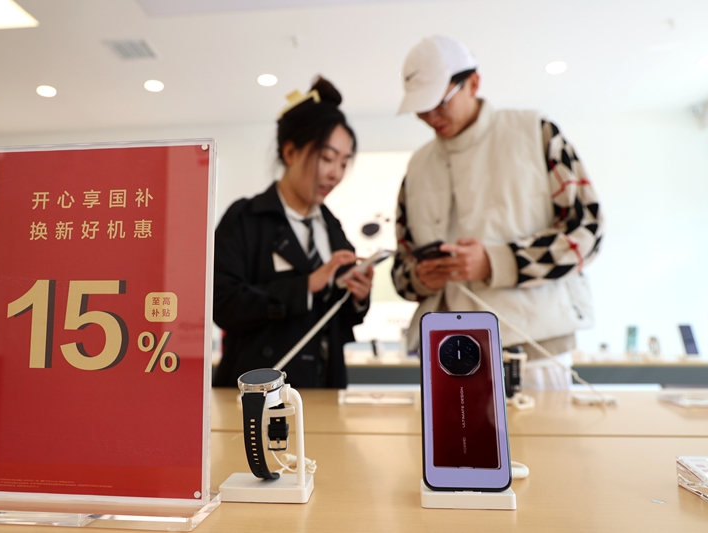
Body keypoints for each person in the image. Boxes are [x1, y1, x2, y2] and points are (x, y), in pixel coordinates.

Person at [392, 36, 603, 389]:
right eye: (421, 108)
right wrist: (420, 277)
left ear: (473, 83)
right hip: (443, 358)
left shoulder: (536, 131)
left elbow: (587, 232)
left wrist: (497, 262)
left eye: (439, 102)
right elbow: (401, 266)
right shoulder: (417, 166)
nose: (431, 117)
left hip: (535, 352)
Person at [213, 76, 373, 389]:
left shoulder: (332, 227)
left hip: (324, 388)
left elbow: (338, 321)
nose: (335, 174)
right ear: (290, 153)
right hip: (257, 392)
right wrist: (305, 287)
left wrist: (358, 295)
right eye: (327, 158)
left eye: (344, 163)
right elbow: (223, 304)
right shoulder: (245, 218)